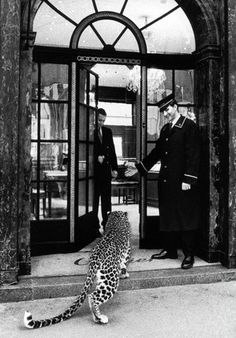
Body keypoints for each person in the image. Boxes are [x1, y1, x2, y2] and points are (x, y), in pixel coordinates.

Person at [126, 97, 200, 269]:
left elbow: (194, 155)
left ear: (176, 107)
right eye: (163, 111)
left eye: (168, 110)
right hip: (166, 181)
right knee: (168, 216)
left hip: (182, 182)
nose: (166, 114)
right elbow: (156, 153)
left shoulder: (189, 126)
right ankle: (170, 250)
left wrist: (188, 179)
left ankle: (189, 254)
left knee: (184, 217)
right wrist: (140, 168)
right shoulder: (166, 129)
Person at [94, 108, 118, 229]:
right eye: (99, 120)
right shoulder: (89, 131)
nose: (101, 123)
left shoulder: (108, 132)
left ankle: (106, 224)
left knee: (106, 200)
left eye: (103, 120)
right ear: (94, 118)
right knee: (93, 201)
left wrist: (115, 168)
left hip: (106, 172)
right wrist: (95, 158)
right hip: (93, 173)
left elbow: (112, 151)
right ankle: (94, 226)